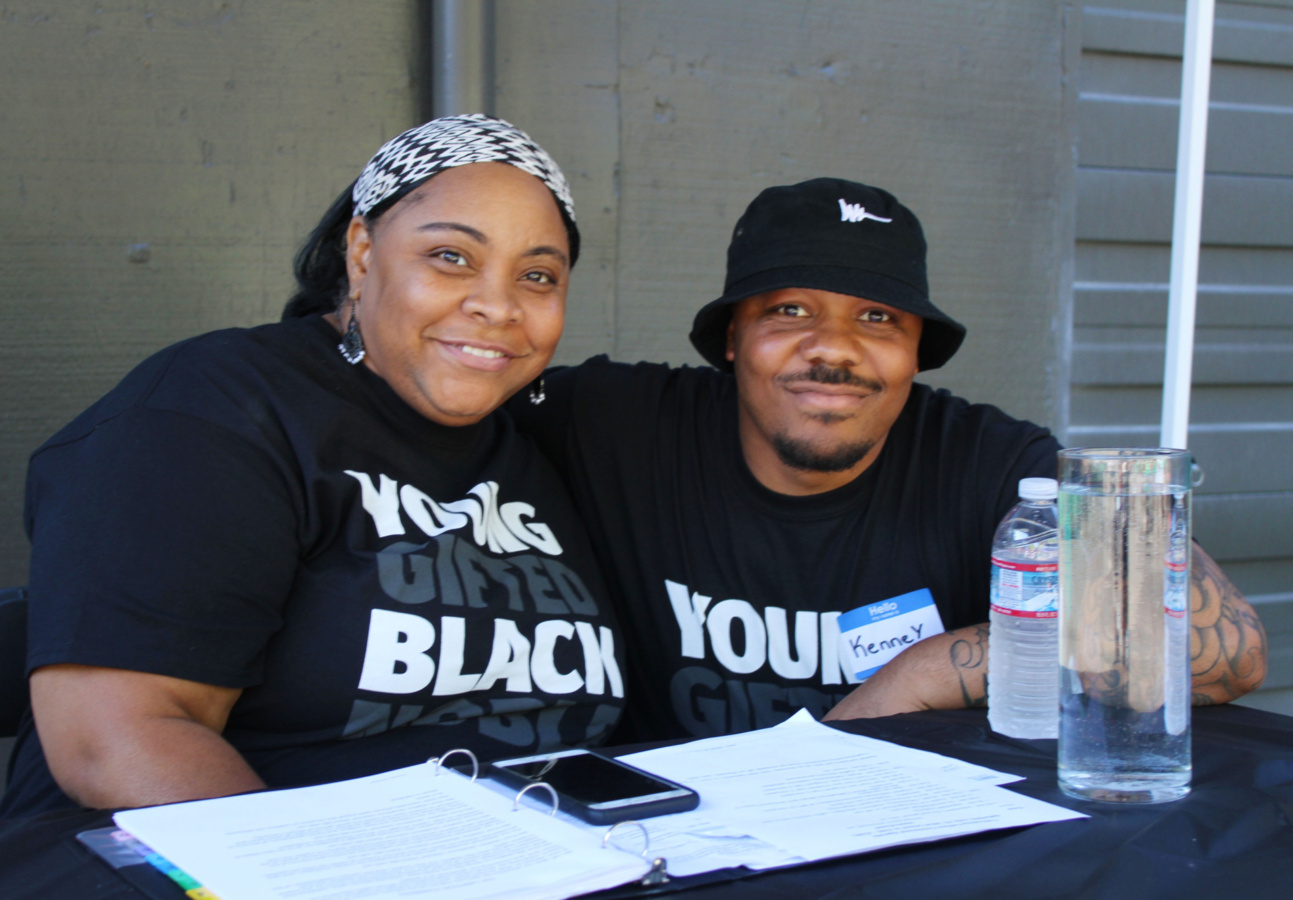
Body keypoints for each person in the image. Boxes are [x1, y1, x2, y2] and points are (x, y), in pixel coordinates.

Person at [2, 115, 625, 817]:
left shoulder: (538, 447)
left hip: (543, 851)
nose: (497, 306)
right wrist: (306, 867)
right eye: (450, 256)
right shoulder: (215, 411)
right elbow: (114, 742)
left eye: (537, 276)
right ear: (361, 253)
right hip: (217, 859)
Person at [510, 177, 1268, 743]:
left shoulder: (987, 460)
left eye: (876, 318)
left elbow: (1230, 653)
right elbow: (449, 393)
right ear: (732, 337)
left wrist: (923, 673)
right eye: (789, 310)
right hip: (669, 845)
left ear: (915, 352)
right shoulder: (614, 422)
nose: (833, 349)